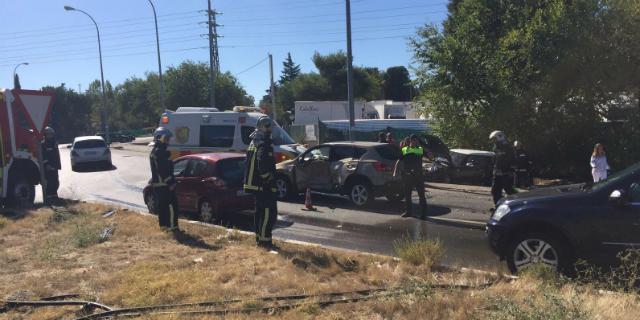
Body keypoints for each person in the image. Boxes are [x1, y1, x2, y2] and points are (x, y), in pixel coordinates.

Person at [244, 116, 278, 250]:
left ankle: (259, 238)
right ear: (265, 127)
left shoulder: (254, 141)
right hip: (263, 186)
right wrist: (269, 179)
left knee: (259, 213)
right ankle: (265, 242)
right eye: (270, 127)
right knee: (268, 214)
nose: (271, 130)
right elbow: (263, 166)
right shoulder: (264, 144)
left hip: (255, 185)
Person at [150, 127, 179, 231]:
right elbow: (163, 170)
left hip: (160, 185)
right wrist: (170, 183)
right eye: (167, 138)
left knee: (163, 208)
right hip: (164, 185)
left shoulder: (157, 151)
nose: (168, 141)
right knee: (171, 206)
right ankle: (172, 228)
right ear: (160, 138)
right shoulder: (159, 152)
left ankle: (164, 227)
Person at [396, 134, 428, 218]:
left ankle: (423, 213)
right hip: (408, 175)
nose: (416, 142)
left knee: (421, 195)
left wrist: (424, 147)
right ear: (411, 140)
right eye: (415, 140)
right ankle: (408, 212)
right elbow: (399, 160)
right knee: (407, 195)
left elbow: (431, 156)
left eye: (417, 141)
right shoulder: (405, 149)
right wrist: (395, 171)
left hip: (418, 175)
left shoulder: (420, 149)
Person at [490, 130, 517, 205]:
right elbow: (494, 159)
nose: (493, 141)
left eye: (494, 139)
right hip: (497, 173)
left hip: (506, 173)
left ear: (500, 137)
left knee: (509, 190)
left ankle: (518, 202)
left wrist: (510, 170)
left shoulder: (508, 147)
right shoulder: (495, 148)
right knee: (495, 191)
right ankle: (498, 206)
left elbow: (512, 160)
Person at [41, 126, 61, 203]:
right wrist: (46, 165)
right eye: (48, 134)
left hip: (54, 166)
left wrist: (57, 166)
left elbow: (56, 156)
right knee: (49, 182)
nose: (50, 136)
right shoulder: (43, 144)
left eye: (51, 134)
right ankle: (49, 197)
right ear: (45, 135)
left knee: (55, 181)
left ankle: (55, 196)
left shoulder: (54, 144)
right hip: (47, 167)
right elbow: (43, 155)